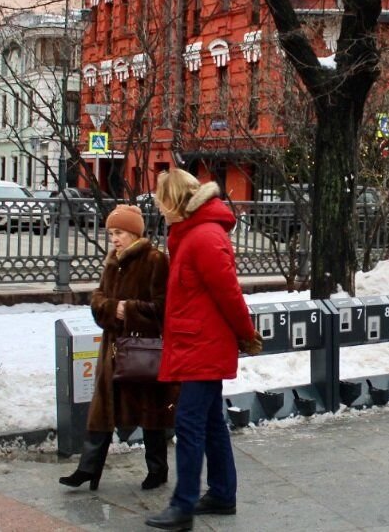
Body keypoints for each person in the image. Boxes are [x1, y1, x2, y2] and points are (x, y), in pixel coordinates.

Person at [146, 171, 262, 531]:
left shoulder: (204, 237)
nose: (160, 210)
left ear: (175, 200)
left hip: (203, 346)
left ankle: (183, 506)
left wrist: (247, 334)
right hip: (197, 342)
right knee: (211, 422)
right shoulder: (194, 233)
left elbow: (229, 293)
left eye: (162, 202)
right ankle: (223, 494)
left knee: (190, 423)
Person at [60, 205, 175, 492]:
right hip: (111, 350)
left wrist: (131, 310)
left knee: (150, 412)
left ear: (135, 233)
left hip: (141, 350)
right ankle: (88, 469)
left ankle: (157, 470)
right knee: (102, 410)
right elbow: (98, 299)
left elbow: (164, 308)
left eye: (120, 232)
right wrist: (113, 309)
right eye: (111, 233)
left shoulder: (155, 260)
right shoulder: (113, 260)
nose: (114, 238)